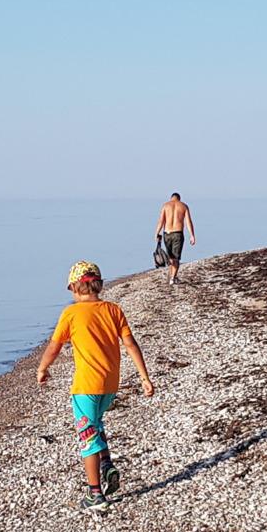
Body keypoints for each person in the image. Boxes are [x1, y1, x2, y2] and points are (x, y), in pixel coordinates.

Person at [35, 260, 154, 509]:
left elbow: (54, 346)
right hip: (110, 385)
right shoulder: (113, 310)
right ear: (98, 285)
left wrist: (43, 368)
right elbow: (130, 344)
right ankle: (107, 463)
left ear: (74, 288)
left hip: (86, 386)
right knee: (96, 423)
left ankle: (95, 494)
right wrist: (144, 377)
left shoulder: (71, 313)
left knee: (87, 436)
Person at [155, 192, 197, 286]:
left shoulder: (165, 205)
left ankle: (172, 277)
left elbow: (161, 221)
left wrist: (157, 233)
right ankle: (172, 278)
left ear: (171, 198)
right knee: (176, 258)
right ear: (179, 198)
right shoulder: (183, 206)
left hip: (167, 234)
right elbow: (188, 222)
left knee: (171, 257)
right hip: (178, 234)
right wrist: (192, 235)